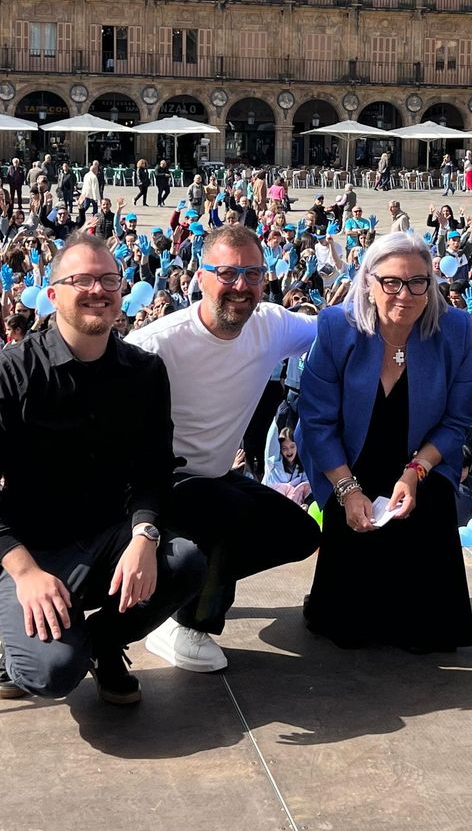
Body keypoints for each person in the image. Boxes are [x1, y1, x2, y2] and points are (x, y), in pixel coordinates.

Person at [0, 232, 206, 704]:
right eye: (82, 280)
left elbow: (154, 468)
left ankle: (105, 641)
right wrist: (25, 572)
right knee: (51, 673)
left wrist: (144, 535)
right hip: (26, 546)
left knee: (185, 561)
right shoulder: (10, 372)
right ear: (52, 295)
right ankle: (20, 642)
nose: (98, 290)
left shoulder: (144, 372)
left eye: (109, 279)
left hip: (105, 536)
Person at [131, 224, 321, 673]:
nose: (241, 285)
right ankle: (188, 624)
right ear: (200, 277)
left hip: (216, 474)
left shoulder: (271, 324)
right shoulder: (155, 345)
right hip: (159, 484)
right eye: (228, 273)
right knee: (222, 510)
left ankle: (180, 593)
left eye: (253, 274)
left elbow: (333, 327)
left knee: (299, 534)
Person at [296, 231, 472, 652]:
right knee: (349, 631)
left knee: (428, 635)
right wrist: (347, 489)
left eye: (417, 282)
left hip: (421, 463)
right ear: (369, 282)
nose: (405, 294)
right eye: (392, 282)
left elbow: (456, 421)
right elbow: (317, 421)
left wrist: (415, 473)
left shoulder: (455, 329)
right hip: (348, 463)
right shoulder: (336, 327)